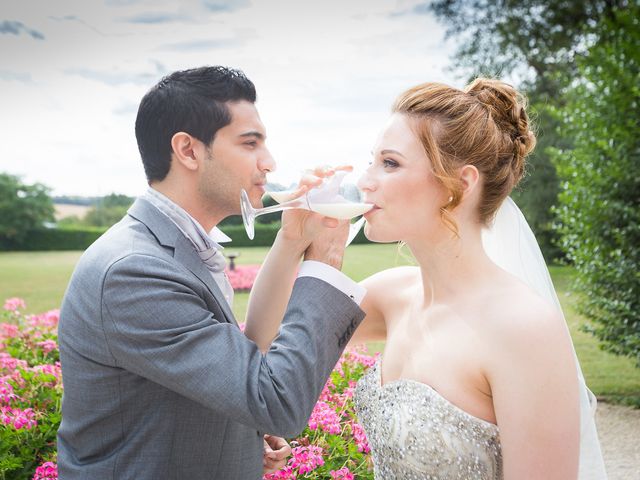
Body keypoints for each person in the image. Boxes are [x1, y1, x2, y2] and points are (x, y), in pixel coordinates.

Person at [248, 78, 606, 479]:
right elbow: (263, 340)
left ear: (461, 185)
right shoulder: (391, 295)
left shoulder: (523, 328)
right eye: (372, 161)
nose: (365, 181)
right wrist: (290, 239)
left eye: (390, 163)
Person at [56, 66, 366, 480]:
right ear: (188, 150)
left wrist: (292, 241)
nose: (269, 163)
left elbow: (249, 355)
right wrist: (324, 263)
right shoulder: (133, 271)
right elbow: (276, 400)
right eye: (250, 143)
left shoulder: (174, 247)